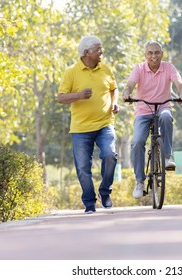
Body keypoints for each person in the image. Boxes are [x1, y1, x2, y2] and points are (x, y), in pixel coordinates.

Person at [57, 35, 119, 214]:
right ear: (86, 53)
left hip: (104, 124)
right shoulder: (71, 72)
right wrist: (78, 95)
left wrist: (114, 102)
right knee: (83, 168)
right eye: (98, 49)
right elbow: (60, 97)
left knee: (110, 155)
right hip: (81, 129)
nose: (102, 52)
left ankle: (105, 192)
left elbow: (113, 89)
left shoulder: (106, 69)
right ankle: (90, 202)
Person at [123, 41, 182, 199]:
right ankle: (139, 181)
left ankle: (167, 158)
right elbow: (130, 84)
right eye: (150, 53)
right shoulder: (139, 68)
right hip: (143, 111)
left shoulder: (169, 67)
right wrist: (127, 92)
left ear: (162, 54)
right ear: (145, 56)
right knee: (137, 142)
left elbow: (179, 83)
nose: (154, 56)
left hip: (163, 107)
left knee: (166, 117)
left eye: (157, 52)